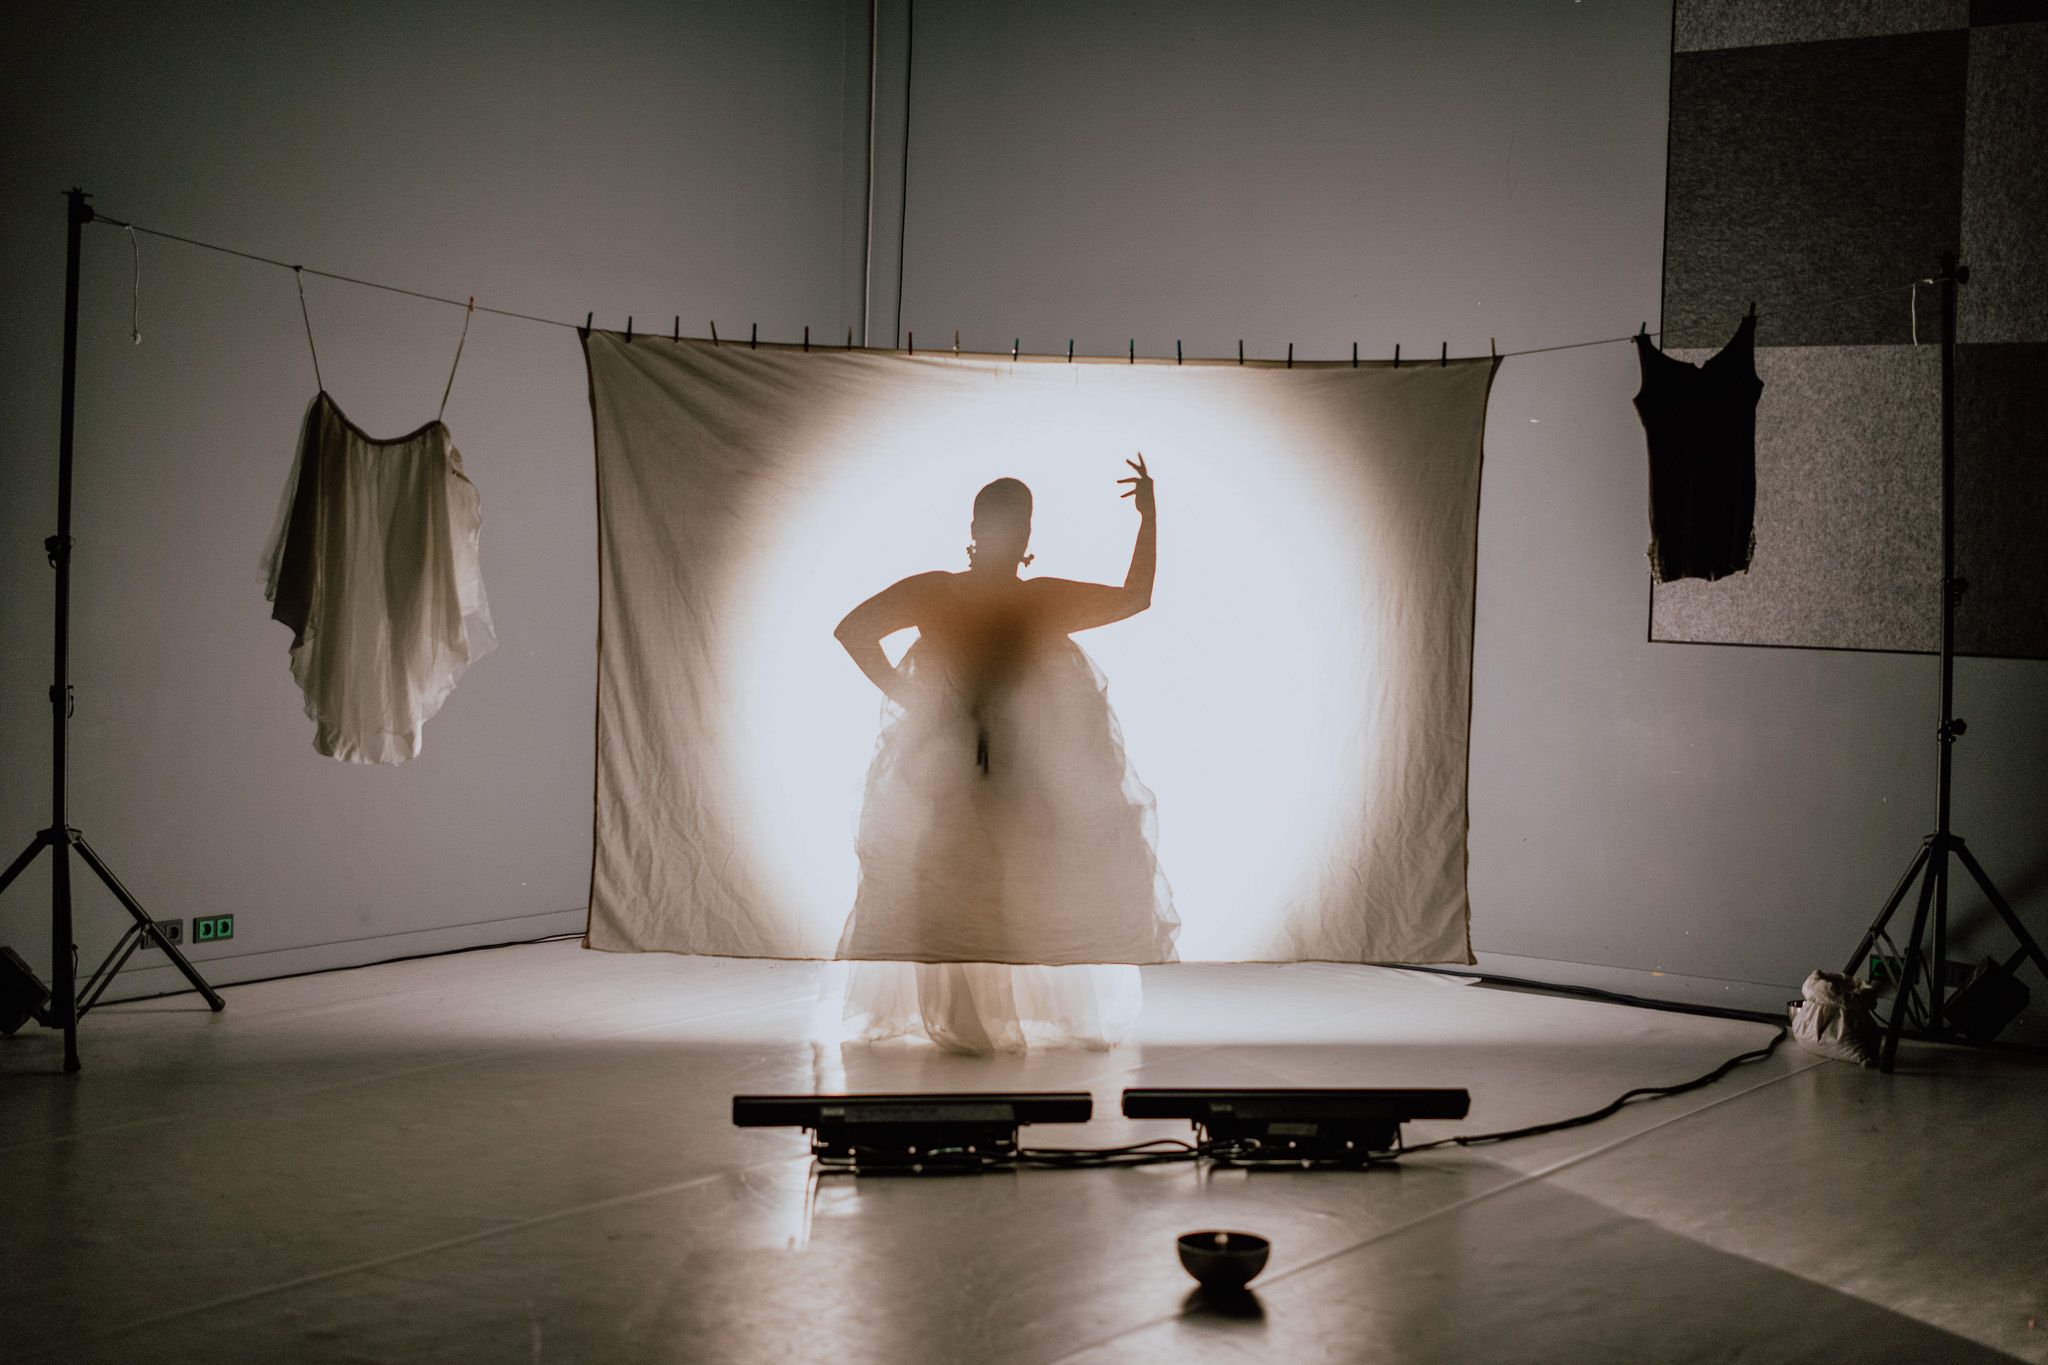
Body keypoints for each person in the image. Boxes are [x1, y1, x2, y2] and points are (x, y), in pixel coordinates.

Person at [828, 456, 1177, 1053]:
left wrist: (1150, 518)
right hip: (954, 774)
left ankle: (972, 1020)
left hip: (998, 774)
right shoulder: (975, 595)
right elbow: (852, 629)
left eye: (1014, 525)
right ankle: (968, 1020)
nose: (1010, 536)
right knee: (967, 888)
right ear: (997, 534)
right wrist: (910, 697)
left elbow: (1133, 599)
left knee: (995, 888)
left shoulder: (990, 597)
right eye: (1006, 524)